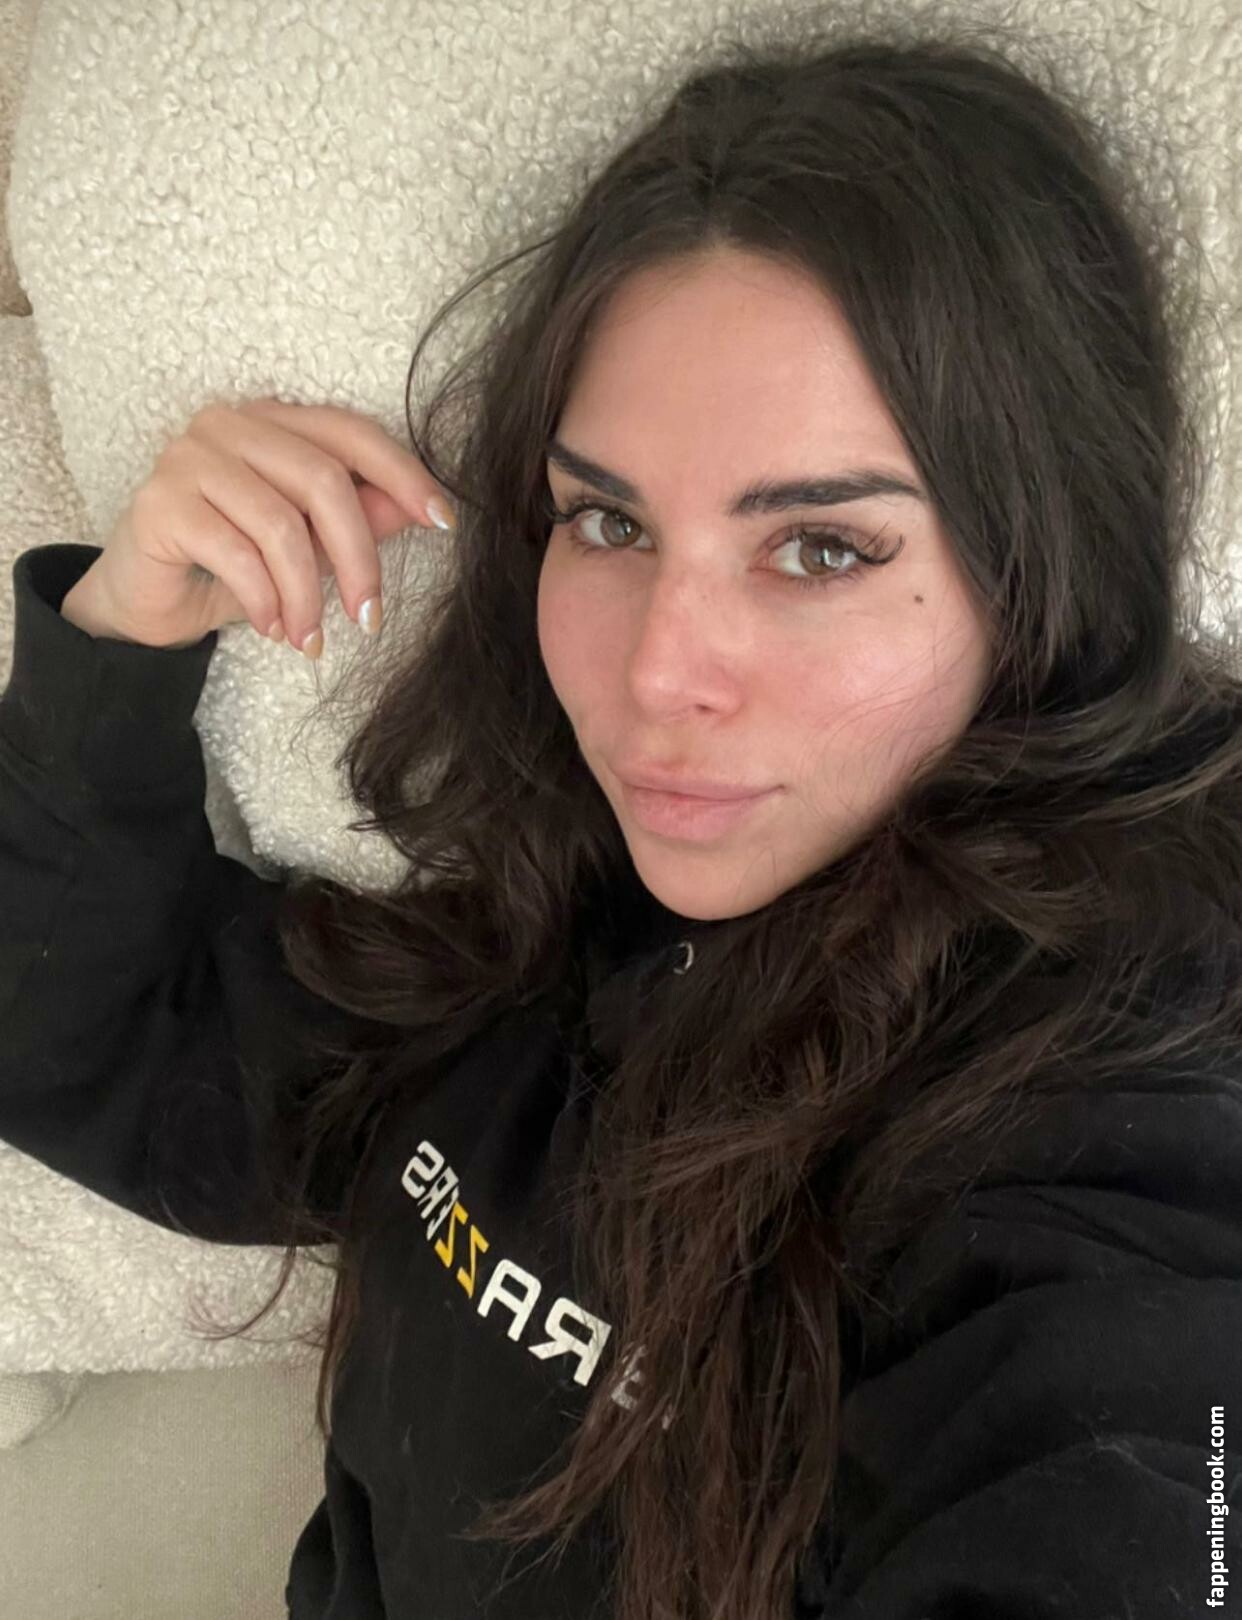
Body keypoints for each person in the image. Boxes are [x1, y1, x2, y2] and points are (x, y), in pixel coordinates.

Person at [2, 22, 1241, 1620]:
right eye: (605, 521)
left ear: (1038, 578)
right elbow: (79, 1035)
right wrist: (121, 642)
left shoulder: (1110, 1094)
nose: (656, 674)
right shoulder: (539, 929)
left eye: (819, 549)